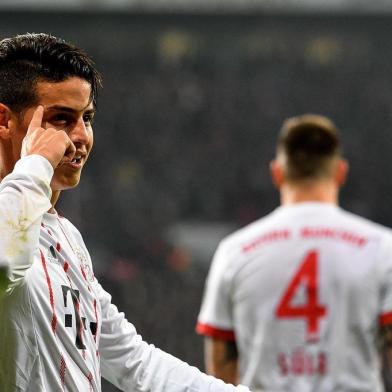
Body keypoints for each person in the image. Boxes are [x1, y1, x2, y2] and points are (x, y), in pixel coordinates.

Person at [0, 33, 252, 392]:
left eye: (86, 118)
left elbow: (134, 362)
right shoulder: (11, 229)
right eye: (60, 119)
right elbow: (5, 264)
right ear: (4, 120)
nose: (80, 136)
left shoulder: (66, 239)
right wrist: (38, 162)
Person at [196, 114, 392, 391]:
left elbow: (220, 368)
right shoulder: (381, 248)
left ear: (277, 173)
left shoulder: (235, 251)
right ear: (340, 172)